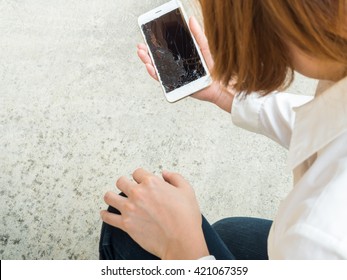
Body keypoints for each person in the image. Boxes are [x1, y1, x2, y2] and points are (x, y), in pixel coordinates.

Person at [99, 0, 347, 259]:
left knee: (124, 228)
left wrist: (182, 244)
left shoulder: (316, 237)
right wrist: (227, 93)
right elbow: (332, 127)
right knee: (232, 233)